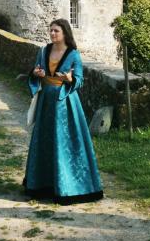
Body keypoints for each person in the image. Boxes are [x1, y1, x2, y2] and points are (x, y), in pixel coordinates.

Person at [24, 18, 103, 204]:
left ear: (65, 33)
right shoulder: (43, 51)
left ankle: (70, 186)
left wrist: (69, 79)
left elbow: (80, 79)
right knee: (45, 141)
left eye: (56, 31)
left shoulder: (74, 54)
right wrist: (37, 74)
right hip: (46, 103)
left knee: (66, 143)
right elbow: (35, 71)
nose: (52, 34)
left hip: (65, 104)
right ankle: (43, 184)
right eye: (51, 30)